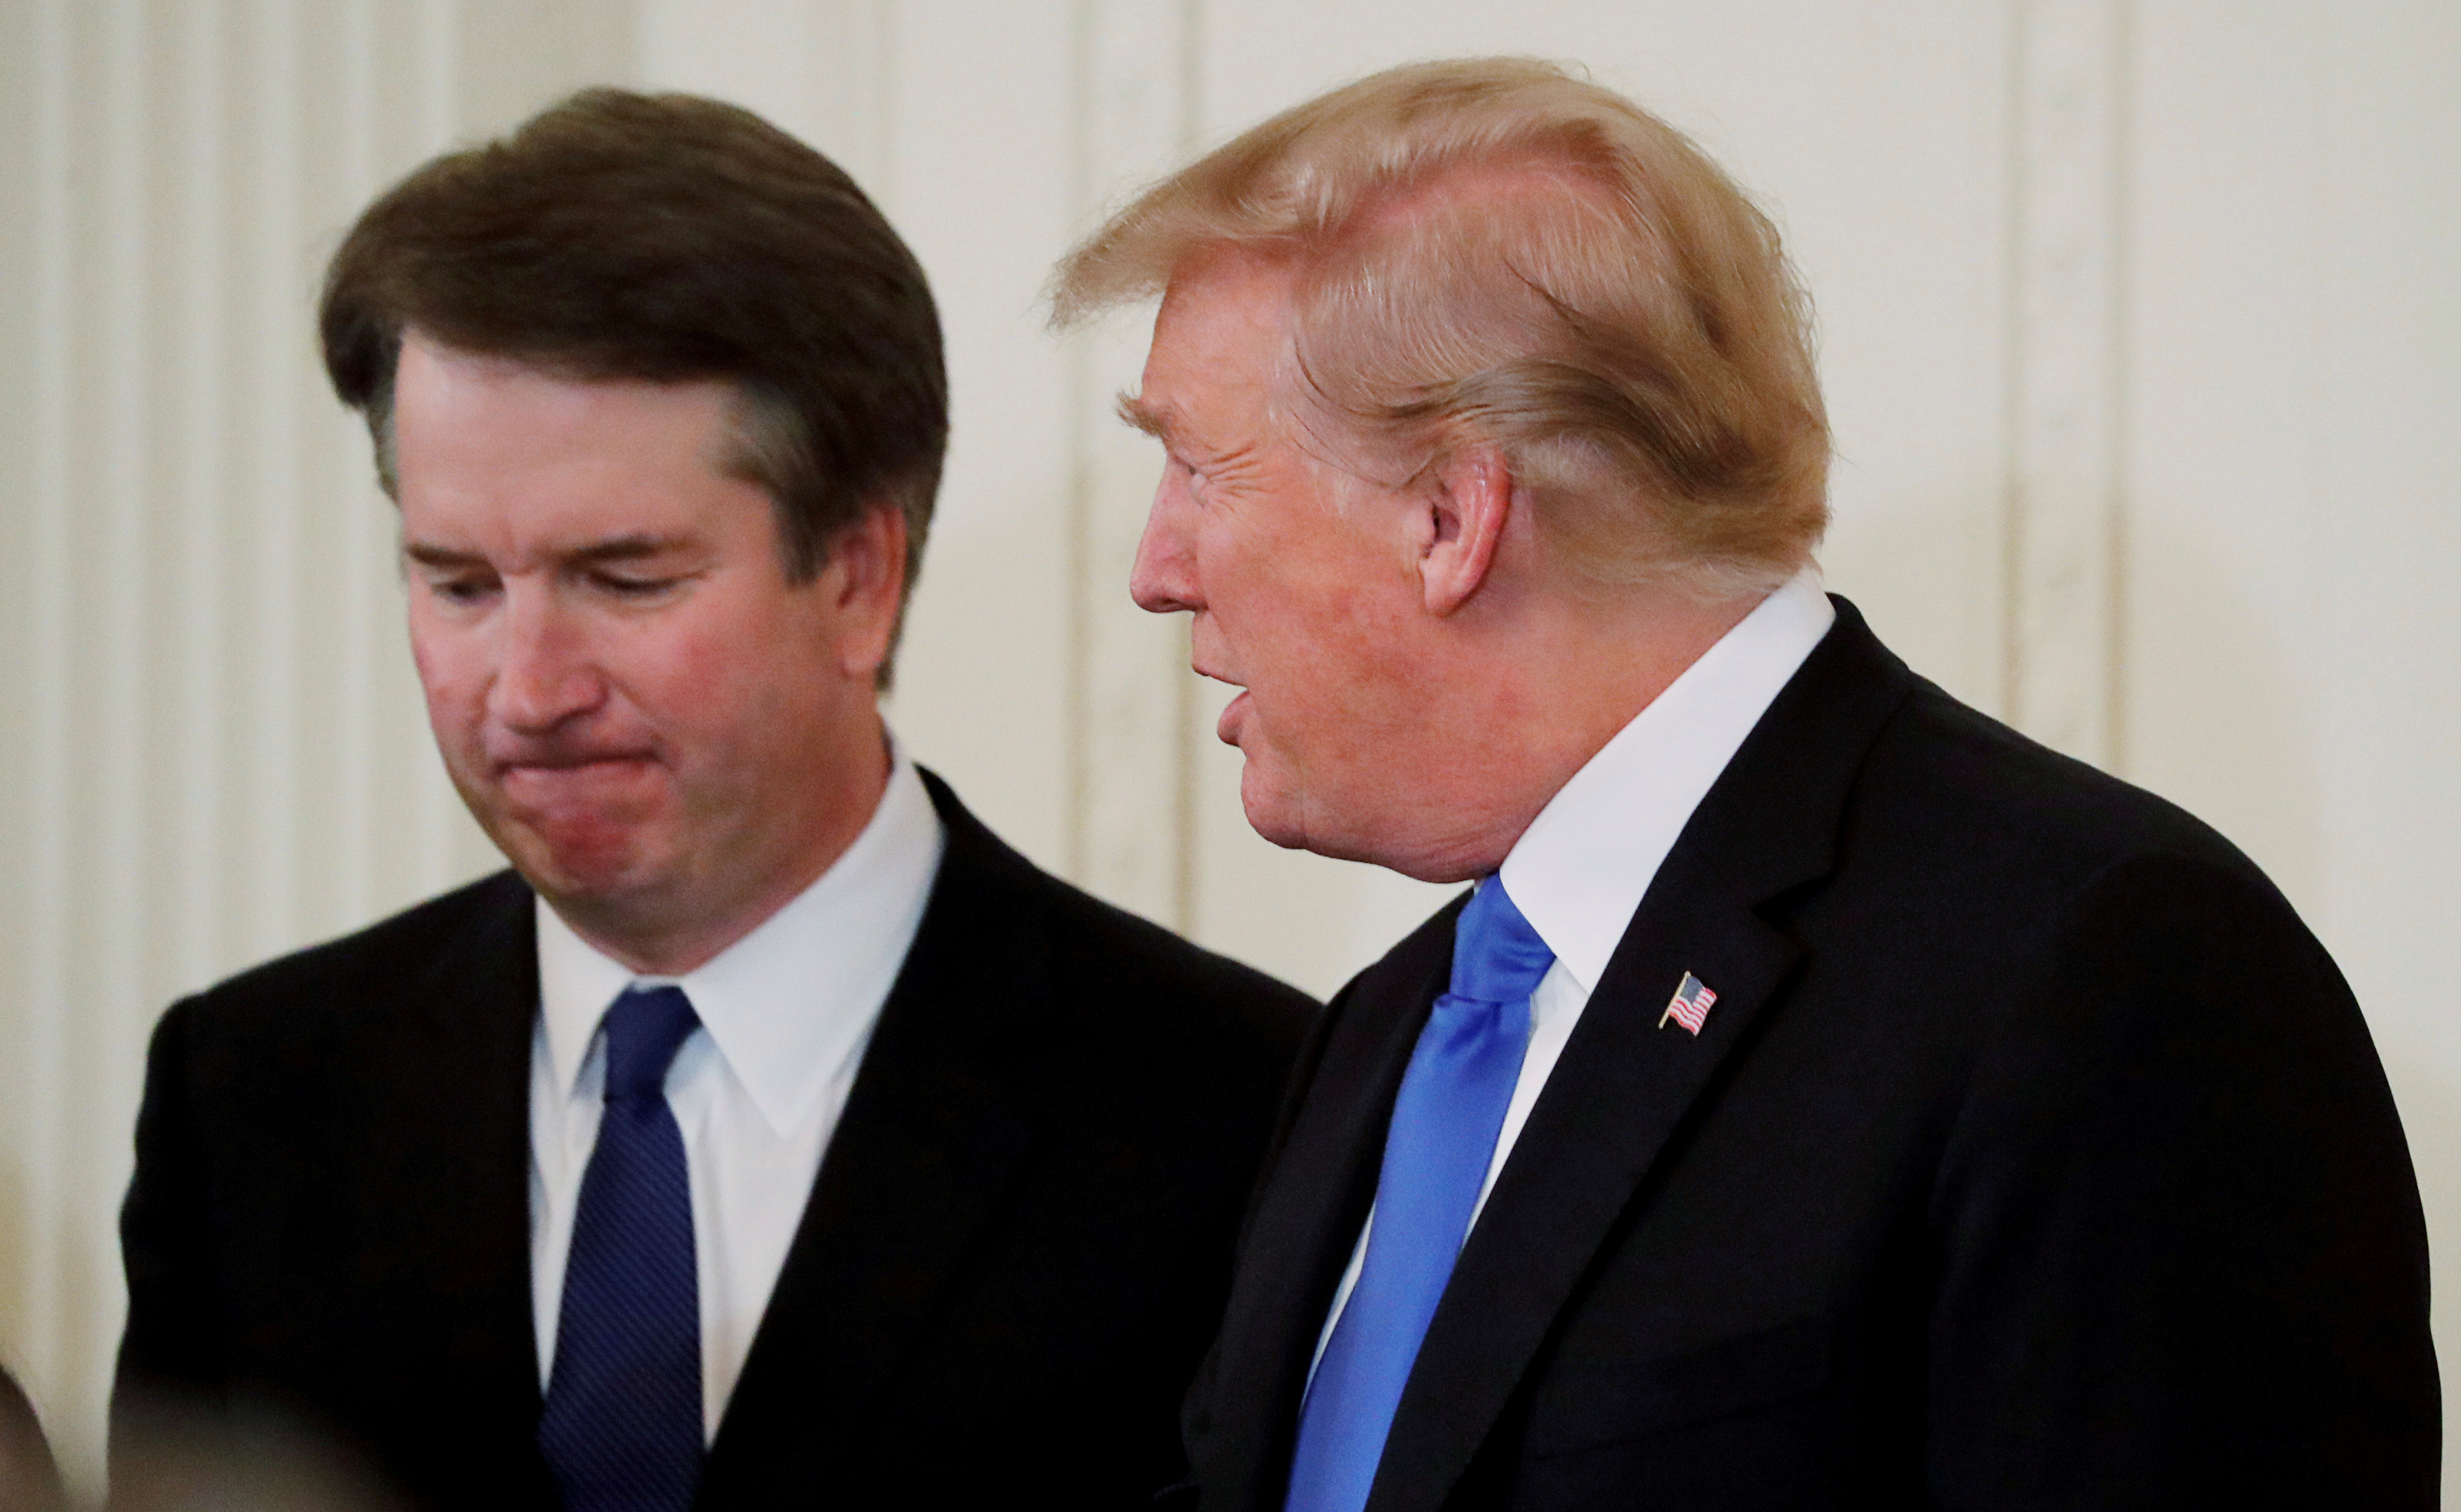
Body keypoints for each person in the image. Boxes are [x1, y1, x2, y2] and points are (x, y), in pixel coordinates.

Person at [1051, 57, 2439, 1510]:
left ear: (1450, 518)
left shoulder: (2106, 976)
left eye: (1199, 469)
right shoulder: (1394, 1030)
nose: (1155, 570)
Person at [114, 88, 1314, 1512]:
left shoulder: (1246, 1116)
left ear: (858, 575)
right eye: (459, 585)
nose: (527, 690)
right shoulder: (250, 1096)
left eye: (625, 579)